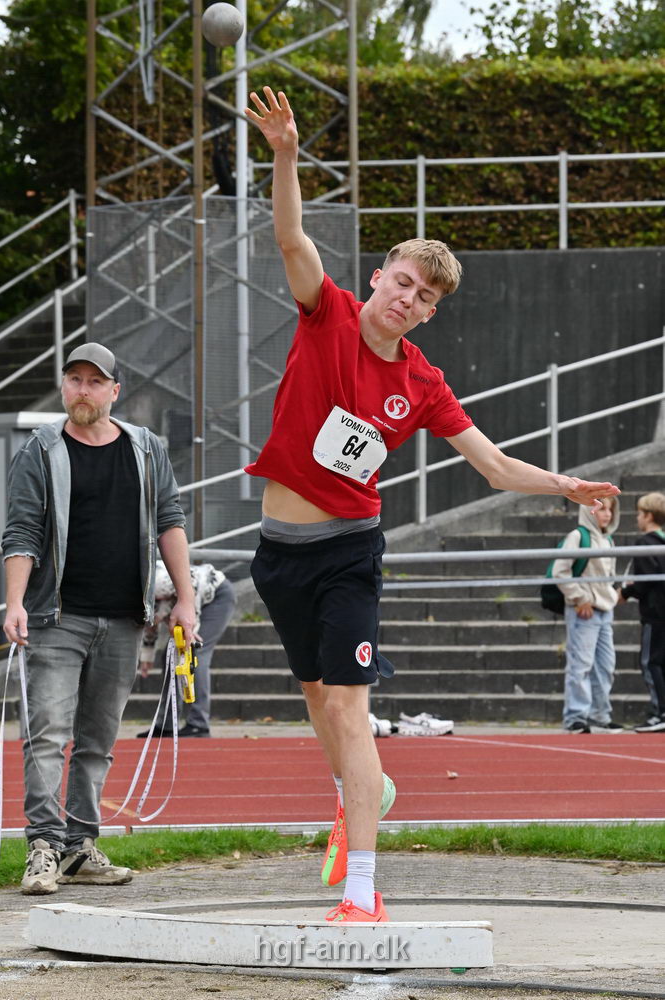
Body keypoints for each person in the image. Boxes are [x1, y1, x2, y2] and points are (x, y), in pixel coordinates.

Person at [244, 86, 620, 924]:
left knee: (348, 704)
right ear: (378, 276)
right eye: (401, 282)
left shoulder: (421, 382)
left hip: (349, 550)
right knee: (315, 701)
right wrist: (284, 153)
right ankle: (361, 792)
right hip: (278, 552)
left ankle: (363, 890)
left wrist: (565, 485)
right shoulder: (325, 314)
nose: (405, 299)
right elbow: (289, 235)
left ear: (430, 313)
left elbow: (488, 466)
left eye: (422, 298)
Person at [1, 342, 196, 896]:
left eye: (94, 381)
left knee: (97, 740)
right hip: (57, 617)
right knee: (46, 735)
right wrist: (15, 603)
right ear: (65, 387)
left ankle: (80, 847)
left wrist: (185, 598)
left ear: (115, 390)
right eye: (74, 380)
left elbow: (170, 519)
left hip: (125, 618)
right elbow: (21, 532)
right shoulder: (40, 450)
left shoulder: (145, 447)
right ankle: (43, 846)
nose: (82, 390)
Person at [137, 560, 237, 738]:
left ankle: (199, 723)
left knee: (195, 652)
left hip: (215, 596)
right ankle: (167, 724)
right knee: (169, 657)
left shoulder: (158, 580)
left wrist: (192, 629)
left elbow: (190, 590)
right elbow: (149, 622)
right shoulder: (139, 593)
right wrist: (147, 656)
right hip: (188, 602)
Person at [552, 497, 622, 734]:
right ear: (588, 510)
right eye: (602, 509)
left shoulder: (608, 539)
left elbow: (610, 576)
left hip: (604, 610)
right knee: (580, 665)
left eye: (610, 510)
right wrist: (580, 598)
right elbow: (560, 571)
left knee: (605, 665)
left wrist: (613, 594)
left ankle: (599, 715)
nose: (607, 514)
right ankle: (575, 717)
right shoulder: (577, 536)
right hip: (584, 611)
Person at [618, 491, 665, 732]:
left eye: (639, 513)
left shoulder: (645, 544)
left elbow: (645, 581)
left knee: (650, 662)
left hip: (655, 614)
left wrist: (625, 593)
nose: (637, 518)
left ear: (648, 516)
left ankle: (659, 712)